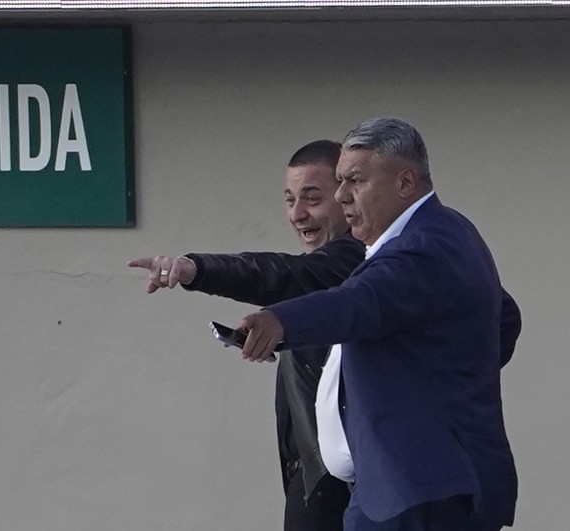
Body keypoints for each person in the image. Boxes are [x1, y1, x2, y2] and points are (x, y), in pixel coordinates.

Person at [238, 118, 520, 530]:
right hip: (407, 487)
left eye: (355, 180)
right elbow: (502, 319)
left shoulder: (424, 246)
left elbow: (358, 301)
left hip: (418, 491)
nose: (342, 195)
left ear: (405, 182)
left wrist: (279, 321)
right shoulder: (444, 229)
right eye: (339, 181)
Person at [129, 140, 366, 530]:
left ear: (346, 197)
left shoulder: (355, 258)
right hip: (314, 477)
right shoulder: (328, 270)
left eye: (312, 199)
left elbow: (280, 274)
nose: (297, 214)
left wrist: (195, 269)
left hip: (338, 484)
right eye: (289, 200)